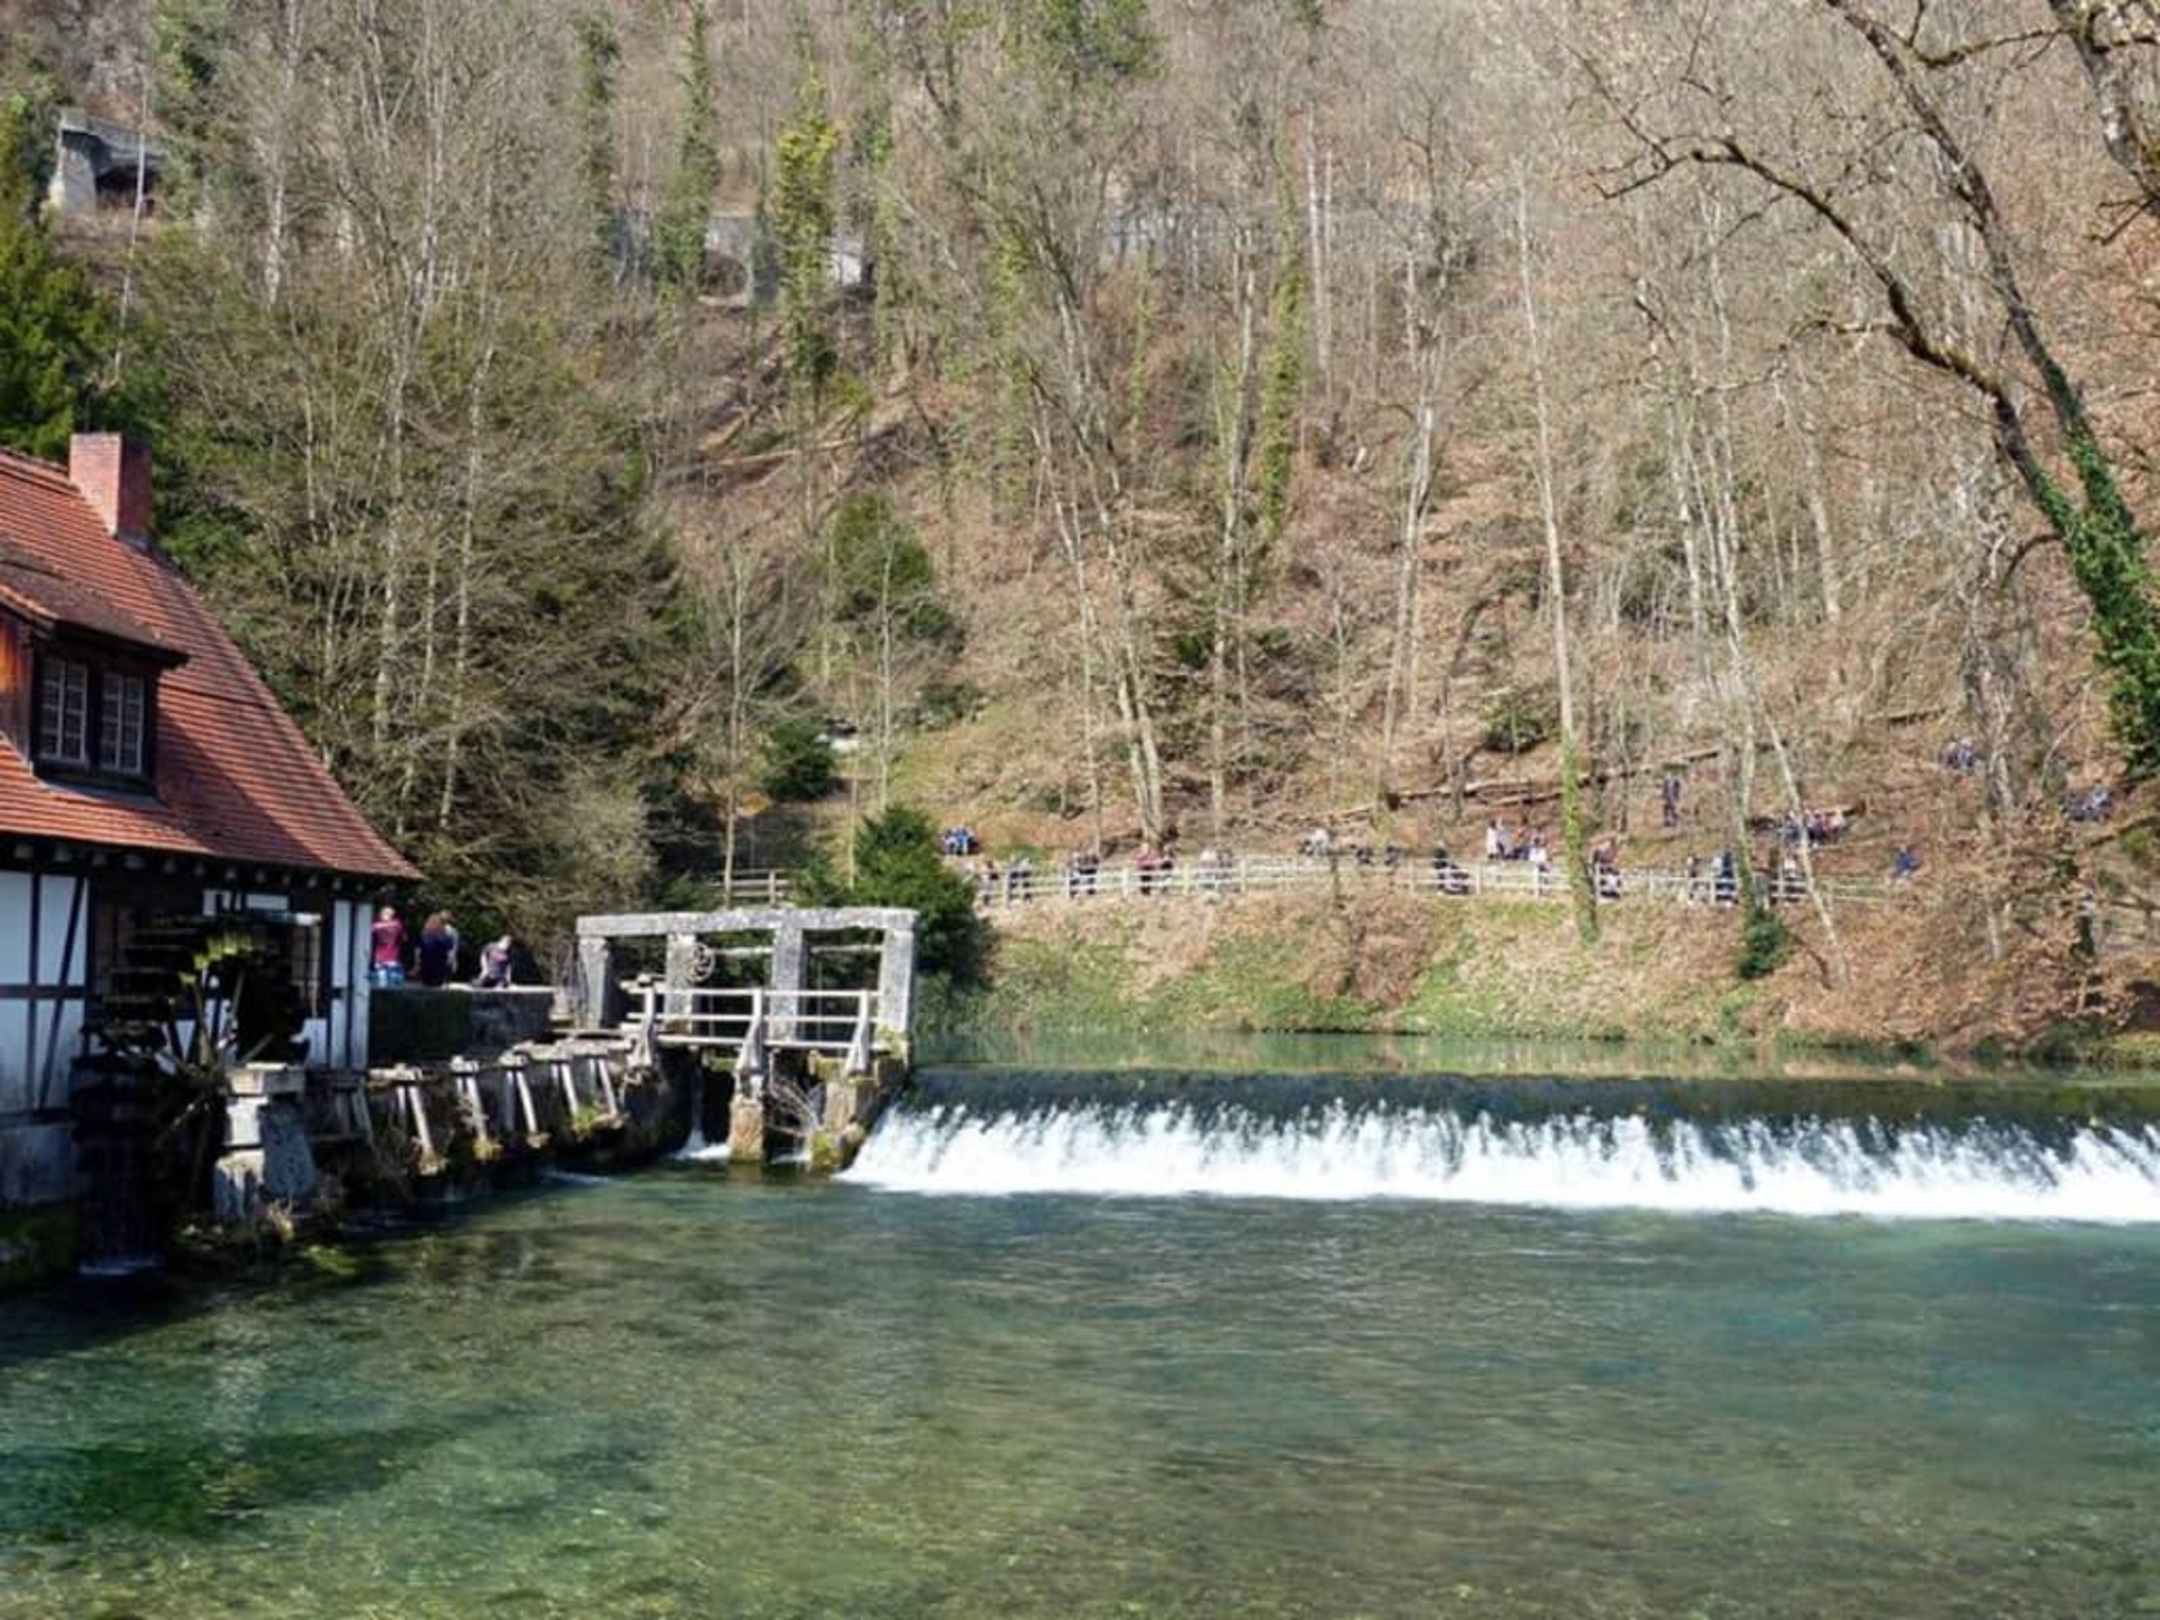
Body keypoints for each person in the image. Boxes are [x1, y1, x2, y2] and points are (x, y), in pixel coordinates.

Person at [416, 912, 457, 987]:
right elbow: (450, 955)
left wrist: (417, 965)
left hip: (425, 969)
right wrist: (450, 965)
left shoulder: (423, 936)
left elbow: (418, 952)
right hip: (439, 970)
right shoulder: (446, 937)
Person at [369, 906, 406, 987]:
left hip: (380, 955)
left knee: (381, 980)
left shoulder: (376, 926)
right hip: (392, 955)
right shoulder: (397, 925)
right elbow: (404, 938)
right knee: (392, 980)